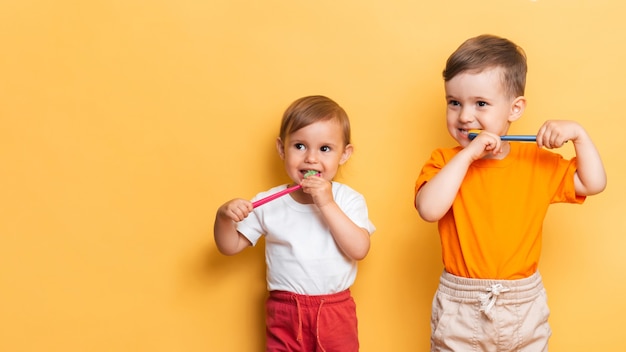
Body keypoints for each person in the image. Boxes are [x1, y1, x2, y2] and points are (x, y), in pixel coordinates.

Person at [414, 34, 606, 351]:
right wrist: (468, 155)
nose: (464, 116)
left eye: (481, 104)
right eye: (454, 102)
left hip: (523, 304)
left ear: (514, 109)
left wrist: (580, 136)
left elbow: (593, 183)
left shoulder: (536, 162)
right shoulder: (445, 162)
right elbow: (429, 209)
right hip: (461, 307)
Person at [214, 95, 375, 351]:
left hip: (335, 311)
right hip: (285, 311)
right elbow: (229, 246)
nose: (311, 158)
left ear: (344, 155)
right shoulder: (268, 202)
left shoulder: (347, 199)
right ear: (282, 149)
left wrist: (326, 204)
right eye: (300, 146)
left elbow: (359, 249)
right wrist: (223, 217)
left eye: (325, 149)